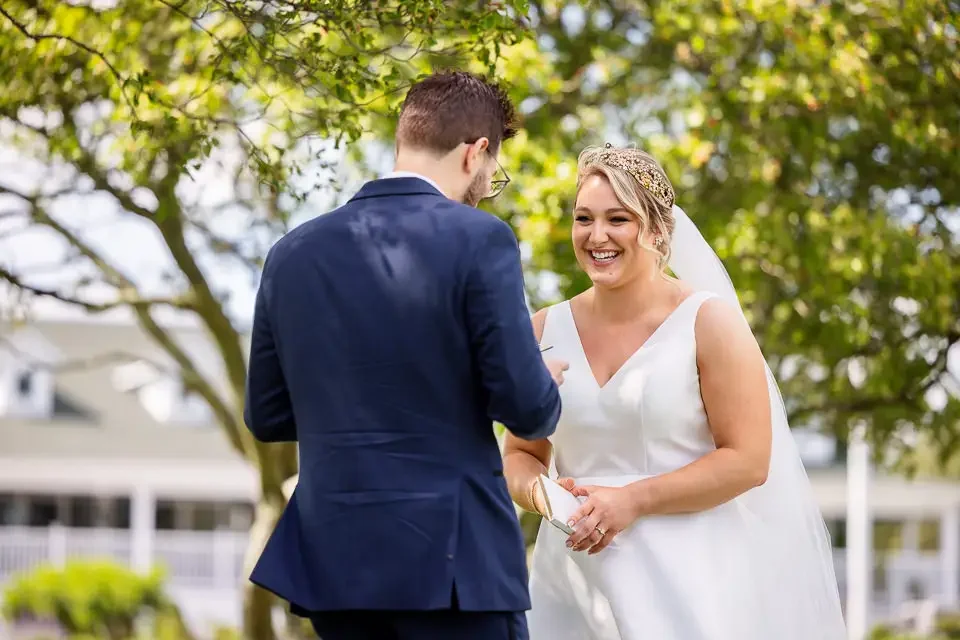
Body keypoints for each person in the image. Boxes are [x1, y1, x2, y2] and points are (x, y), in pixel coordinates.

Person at [244, 70, 568, 640]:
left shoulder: (290, 254)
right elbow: (528, 411)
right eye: (494, 176)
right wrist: (541, 376)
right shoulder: (481, 239)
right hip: (453, 570)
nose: (487, 187)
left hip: (337, 566)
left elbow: (267, 417)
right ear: (477, 153)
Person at [503, 144, 847, 639]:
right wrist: (546, 497)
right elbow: (519, 454)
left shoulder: (708, 322)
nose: (597, 236)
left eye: (617, 219)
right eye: (584, 218)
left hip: (689, 583)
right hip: (575, 580)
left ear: (658, 230)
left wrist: (632, 500)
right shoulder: (542, 330)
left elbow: (749, 460)